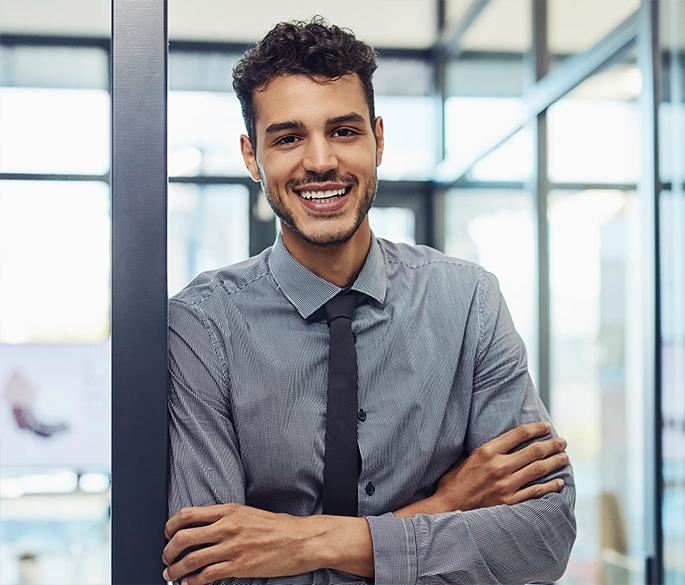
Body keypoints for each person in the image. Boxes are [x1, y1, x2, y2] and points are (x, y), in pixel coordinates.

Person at [162, 17, 576, 585]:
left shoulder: (468, 301)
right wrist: (440, 508)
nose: (321, 161)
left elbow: (543, 539)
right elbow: (209, 570)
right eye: (287, 137)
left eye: (343, 131)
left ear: (378, 139)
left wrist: (305, 543)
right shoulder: (203, 325)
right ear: (251, 157)